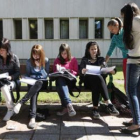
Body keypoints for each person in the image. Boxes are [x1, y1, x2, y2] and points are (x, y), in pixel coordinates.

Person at [79, 41, 119, 119]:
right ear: (88, 50)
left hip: (98, 83)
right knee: (98, 78)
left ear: (97, 50)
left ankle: (95, 109)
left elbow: (106, 70)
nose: (94, 51)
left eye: (95, 49)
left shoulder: (101, 59)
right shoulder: (85, 59)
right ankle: (109, 104)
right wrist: (83, 70)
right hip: (88, 82)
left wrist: (111, 71)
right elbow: (80, 71)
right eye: (92, 49)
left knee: (97, 82)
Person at [13, 44, 49, 129]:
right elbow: (28, 74)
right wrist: (24, 76)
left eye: (37, 54)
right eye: (33, 54)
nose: (35, 56)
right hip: (32, 83)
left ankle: (21, 103)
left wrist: (40, 67)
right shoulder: (29, 61)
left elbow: (45, 76)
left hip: (42, 83)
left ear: (41, 54)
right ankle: (32, 118)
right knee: (34, 92)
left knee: (38, 83)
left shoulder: (46, 61)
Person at [120, 3, 140, 134]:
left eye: (122, 16)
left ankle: (136, 123)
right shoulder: (137, 20)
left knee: (130, 91)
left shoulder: (135, 21)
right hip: (137, 58)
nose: (122, 19)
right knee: (137, 91)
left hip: (134, 60)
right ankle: (136, 118)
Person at [53, 43, 78, 117]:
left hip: (70, 81)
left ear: (68, 52)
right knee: (60, 81)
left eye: (65, 53)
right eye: (62, 53)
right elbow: (54, 71)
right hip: (61, 81)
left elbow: (76, 72)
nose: (63, 55)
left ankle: (65, 107)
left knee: (59, 85)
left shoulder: (73, 59)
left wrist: (70, 71)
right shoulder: (57, 60)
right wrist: (58, 71)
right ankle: (69, 105)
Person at [0, 38, 20, 121]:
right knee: (2, 85)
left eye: (2, 50)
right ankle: (11, 108)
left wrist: (11, 77)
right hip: (1, 80)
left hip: (12, 81)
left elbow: (18, 72)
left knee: (5, 87)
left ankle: (10, 109)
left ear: (7, 50)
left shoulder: (14, 58)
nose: (0, 51)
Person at [106, 18, 128, 89]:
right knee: (126, 80)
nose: (111, 32)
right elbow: (110, 51)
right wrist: (104, 62)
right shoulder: (114, 38)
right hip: (126, 59)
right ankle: (128, 97)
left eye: (112, 29)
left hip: (135, 57)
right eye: (110, 30)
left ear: (117, 25)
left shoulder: (126, 32)